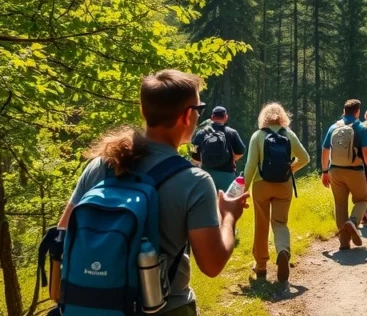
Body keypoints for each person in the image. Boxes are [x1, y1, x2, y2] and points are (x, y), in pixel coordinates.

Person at [57, 70, 248, 316]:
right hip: (167, 308)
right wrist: (229, 216)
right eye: (198, 109)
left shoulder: (103, 164)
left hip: (91, 305)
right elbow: (212, 265)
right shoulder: (194, 181)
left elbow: (63, 233)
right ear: (187, 116)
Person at [243, 102, 310, 284]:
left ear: (263, 118)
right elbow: (305, 158)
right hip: (283, 184)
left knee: (261, 224)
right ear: (283, 117)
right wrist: (290, 169)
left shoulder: (257, 136)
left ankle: (261, 266)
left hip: (261, 185)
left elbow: (250, 165)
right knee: (280, 222)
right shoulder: (289, 134)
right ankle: (282, 251)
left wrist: (244, 189)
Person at [320, 99, 367, 250]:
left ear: (344, 111)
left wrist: (325, 171)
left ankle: (344, 242)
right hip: (354, 171)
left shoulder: (333, 127)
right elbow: (366, 152)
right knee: (363, 200)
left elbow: (325, 151)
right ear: (358, 111)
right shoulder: (360, 127)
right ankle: (353, 221)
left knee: (340, 204)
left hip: (334, 171)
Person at [190, 106, 245, 192]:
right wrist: (230, 159)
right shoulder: (232, 133)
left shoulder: (201, 133)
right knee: (225, 203)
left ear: (212, 117)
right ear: (226, 117)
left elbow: (194, 156)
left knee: (208, 203)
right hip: (226, 175)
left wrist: (206, 159)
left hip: (206, 174)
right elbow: (241, 151)